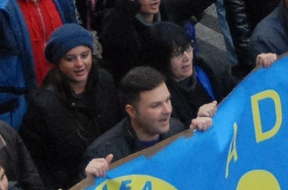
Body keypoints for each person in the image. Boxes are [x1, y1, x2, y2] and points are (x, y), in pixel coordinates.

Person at [19, 24, 121, 190]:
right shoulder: (43, 105)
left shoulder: (105, 81)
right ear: (58, 62)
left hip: (112, 176)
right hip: (72, 184)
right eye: (70, 58)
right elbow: (36, 163)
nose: (80, 64)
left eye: (84, 55)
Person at [82, 65, 213, 177]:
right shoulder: (103, 154)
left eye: (168, 100)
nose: (167, 110)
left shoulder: (176, 129)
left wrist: (201, 136)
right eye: (156, 105)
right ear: (132, 111)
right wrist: (88, 183)